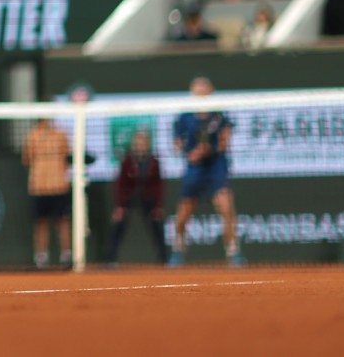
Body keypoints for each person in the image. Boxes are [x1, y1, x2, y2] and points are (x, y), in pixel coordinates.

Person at [169, 77, 243, 267]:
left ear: (211, 91)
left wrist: (210, 149)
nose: (201, 92)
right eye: (197, 89)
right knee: (183, 214)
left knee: (226, 208)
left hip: (216, 166)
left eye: (204, 88)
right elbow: (177, 144)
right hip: (194, 168)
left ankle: (233, 251)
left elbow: (225, 141)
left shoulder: (219, 115)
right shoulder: (184, 117)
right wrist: (189, 153)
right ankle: (178, 248)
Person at [104, 128, 167, 266]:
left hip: (148, 198)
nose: (141, 146)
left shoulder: (153, 162)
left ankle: (164, 259)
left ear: (148, 144)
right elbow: (120, 184)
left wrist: (157, 206)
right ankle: (110, 259)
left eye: (143, 143)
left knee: (157, 224)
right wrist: (120, 206)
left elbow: (157, 186)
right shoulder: (127, 161)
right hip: (129, 197)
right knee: (118, 224)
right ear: (134, 145)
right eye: (138, 143)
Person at [21, 116, 72, 269]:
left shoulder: (61, 134)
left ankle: (67, 256)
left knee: (62, 221)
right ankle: (41, 257)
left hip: (59, 186)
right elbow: (27, 160)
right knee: (41, 222)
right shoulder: (32, 136)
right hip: (39, 187)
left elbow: (67, 157)